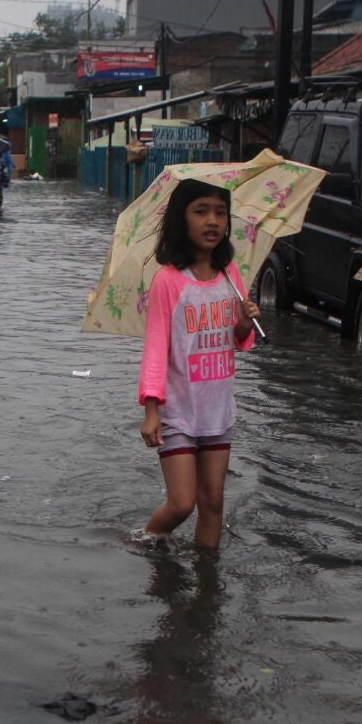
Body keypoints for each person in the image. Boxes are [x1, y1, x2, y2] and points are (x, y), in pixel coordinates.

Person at [138, 180, 260, 551]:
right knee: (181, 504)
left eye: (220, 213)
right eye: (201, 211)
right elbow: (156, 348)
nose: (212, 221)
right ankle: (145, 541)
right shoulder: (168, 281)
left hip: (217, 409)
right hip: (178, 412)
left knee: (213, 503)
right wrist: (152, 409)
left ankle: (207, 572)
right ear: (182, 219)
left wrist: (244, 322)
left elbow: (237, 339)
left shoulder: (230, 275)